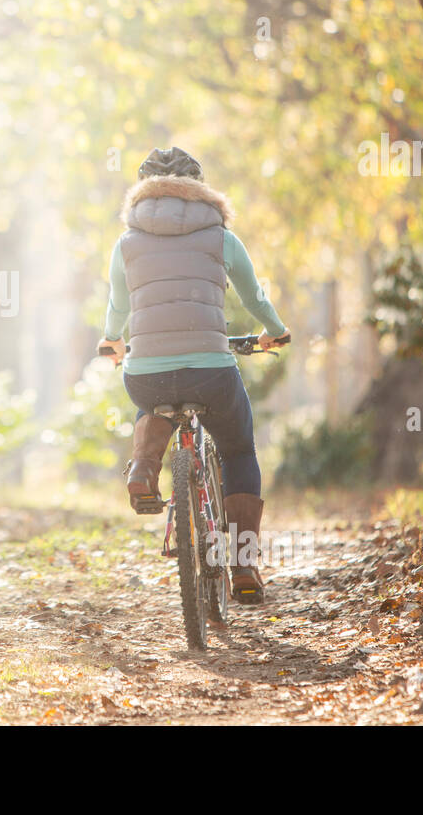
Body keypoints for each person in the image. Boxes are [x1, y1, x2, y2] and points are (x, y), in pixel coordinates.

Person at [98, 148, 290, 604]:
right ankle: (243, 563)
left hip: (146, 372)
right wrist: (275, 333)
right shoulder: (220, 235)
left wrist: (112, 340)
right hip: (211, 371)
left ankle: (144, 467)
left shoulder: (125, 243)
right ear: (200, 188)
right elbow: (254, 296)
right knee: (239, 449)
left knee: (154, 399)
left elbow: (118, 308)